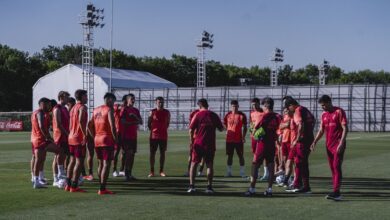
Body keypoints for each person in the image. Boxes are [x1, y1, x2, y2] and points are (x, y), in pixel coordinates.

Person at [311, 95, 348, 201]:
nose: (322, 107)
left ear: (329, 102)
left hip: (338, 144)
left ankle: (337, 192)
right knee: (332, 169)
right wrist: (315, 141)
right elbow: (321, 130)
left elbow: (345, 128)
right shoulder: (324, 115)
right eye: (321, 106)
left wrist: (341, 143)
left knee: (336, 167)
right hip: (328, 145)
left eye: (323, 105)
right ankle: (336, 190)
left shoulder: (339, 112)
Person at [245, 97, 280, 196]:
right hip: (272, 144)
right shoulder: (277, 116)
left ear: (265, 105)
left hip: (262, 144)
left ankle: (252, 189)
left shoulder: (262, 116)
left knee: (255, 165)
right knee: (271, 165)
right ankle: (269, 189)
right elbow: (280, 129)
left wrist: (253, 130)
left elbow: (255, 130)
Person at [188, 99, 224, 194]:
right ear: (207, 105)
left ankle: (192, 186)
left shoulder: (197, 115)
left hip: (198, 143)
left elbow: (191, 130)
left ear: (199, 106)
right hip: (210, 144)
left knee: (194, 164)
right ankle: (209, 187)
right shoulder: (214, 115)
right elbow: (221, 129)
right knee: (209, 165)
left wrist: (191, 141)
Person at [284, 97, 315, 194]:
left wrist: (297, 139)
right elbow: (313, 120)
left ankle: (301, 185)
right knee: (303, 163)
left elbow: (301, 124)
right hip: (309, 138)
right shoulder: (305, 109)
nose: (289, 111)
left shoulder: (297, 111)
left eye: (289, 108)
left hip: (302, 141)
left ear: (291, 105)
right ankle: (303, 185)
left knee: (300, 163)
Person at [90, 92, 118, 194]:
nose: (113, 103)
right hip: (107, 139)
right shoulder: (109, 109)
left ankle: (101, 185)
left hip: (97, 139)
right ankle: (102, 188)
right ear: (110, 99)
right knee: (106, 164)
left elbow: (90, 125)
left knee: (100, 163)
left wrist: (94, 136)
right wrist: (116, 139)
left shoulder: (96, 110)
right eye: (113, 100)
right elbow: (112, 126)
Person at [31, 97, 59, 189]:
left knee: (40, 159)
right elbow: (41, 126)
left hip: (37, 138)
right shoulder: (40, 113)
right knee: (40, 159)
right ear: (42, 103)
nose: (48, 106)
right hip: (40, 139)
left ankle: (37, 179)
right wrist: (48, 137)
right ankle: (37, 180)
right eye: (47, 104)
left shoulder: (37, 112)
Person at [66, 89, 88, 192]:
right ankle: (74, 186)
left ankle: (68, 184)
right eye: (86, 96)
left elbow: (70, 124)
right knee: (79, 162)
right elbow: (80, 121)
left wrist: (71, 133)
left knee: (72, 161)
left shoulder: (73, 107)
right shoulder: (82, 107)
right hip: (78, 138)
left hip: (71, 137)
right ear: (82, 97)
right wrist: (85, 135)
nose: (87, 98)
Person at [120, 94, 142, 181]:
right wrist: (133, 122)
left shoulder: (136, 110)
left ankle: (129, 173)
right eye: (131, 99)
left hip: (133, 136)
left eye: (134, 99)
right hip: (126, 136)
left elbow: (140, 122)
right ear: (127, 100)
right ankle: (126, 173)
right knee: (128, 154)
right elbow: (122, 122)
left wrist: (135, 117)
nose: (133, 100)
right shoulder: (124, 109)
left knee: (132, 155)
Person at [223, 100, 247, 178]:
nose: (234, 108)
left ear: (238, 106)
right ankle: (229, 172)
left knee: (240, 155)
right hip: (229, 139)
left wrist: (243, 137)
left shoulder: (242, 115)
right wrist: (227, 130)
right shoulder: (227, 115)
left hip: (238, 139)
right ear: (231, 107)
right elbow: (224, 124)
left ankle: (242, 172)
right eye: (233, 106)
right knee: (230, 156)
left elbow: (245, 127)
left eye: (236, 106)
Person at [147, 97, 170, 177]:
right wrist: (154, 130)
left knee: (162, 153)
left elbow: (167, 123)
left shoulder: (167, 112)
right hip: (153, 136)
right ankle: (152, 171)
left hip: (163, 136)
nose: (161, 104)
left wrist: (162, 129)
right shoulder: (152, 112)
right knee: (152, 153)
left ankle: (161, 171)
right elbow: (149, 124)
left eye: (162, 102)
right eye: (159, 102)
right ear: (156, 102)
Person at [52, 91, 70, 188]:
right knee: (58, 156)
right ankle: (57, 177)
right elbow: (58, 124)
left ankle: (60, 176)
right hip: (59, 136)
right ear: (61, 97)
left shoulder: (65, 109)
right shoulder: (57, 109)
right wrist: (67, 133)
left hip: (65, 136)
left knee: (62, 156)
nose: (68, 99)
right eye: (67, 97)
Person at [249, 98, 267, 179]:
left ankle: (266, 174)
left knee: (263, 155)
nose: (254, 106)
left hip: (262, 137)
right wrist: (251, 130)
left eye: (255, 104)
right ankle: (256, 173)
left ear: (259, 104)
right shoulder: (252, 113)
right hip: (254, 137)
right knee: (255, 155)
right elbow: (252, 123)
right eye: (252, 104)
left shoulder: (264, 112)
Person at [112, 95, 127, 177]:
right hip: (118, 133)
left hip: (125, 133)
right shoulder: (117, 106)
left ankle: (121, 169)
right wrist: (122, 107)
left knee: (124, 152)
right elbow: (117, 108)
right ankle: (114, 170)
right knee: (116, 152)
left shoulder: (128, 110)